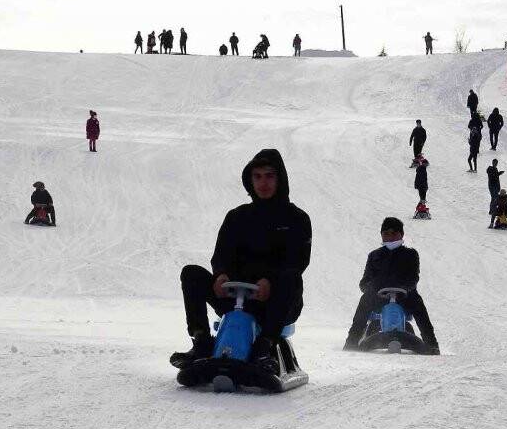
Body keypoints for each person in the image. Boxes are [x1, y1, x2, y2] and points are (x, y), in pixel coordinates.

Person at [172, 149, 312, 378]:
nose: (263, 182)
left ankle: (265, 348)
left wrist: (269, 281)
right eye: (257, 176)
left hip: (273, 302)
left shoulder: (296, 219)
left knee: (291, 278)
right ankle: (202, 342)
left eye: (269, 176)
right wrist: (221, 275)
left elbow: (297, 261)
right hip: (234, 295)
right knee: (191, 274)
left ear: (280, 179)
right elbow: (221, 255)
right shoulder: (237, 217)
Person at [343, 217, 439, 354]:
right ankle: (351, 343)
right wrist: (372, 288)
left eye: (394, 233)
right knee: (364, 301)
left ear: (401, 234)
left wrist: (405, 288)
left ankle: (432, 345)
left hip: (404, 296)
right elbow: (364, 282)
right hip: (379, 297)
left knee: (418, 304)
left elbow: (413, 277)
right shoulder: (374, 256)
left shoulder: (410, 255)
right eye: (386, 233)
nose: (390, 237)